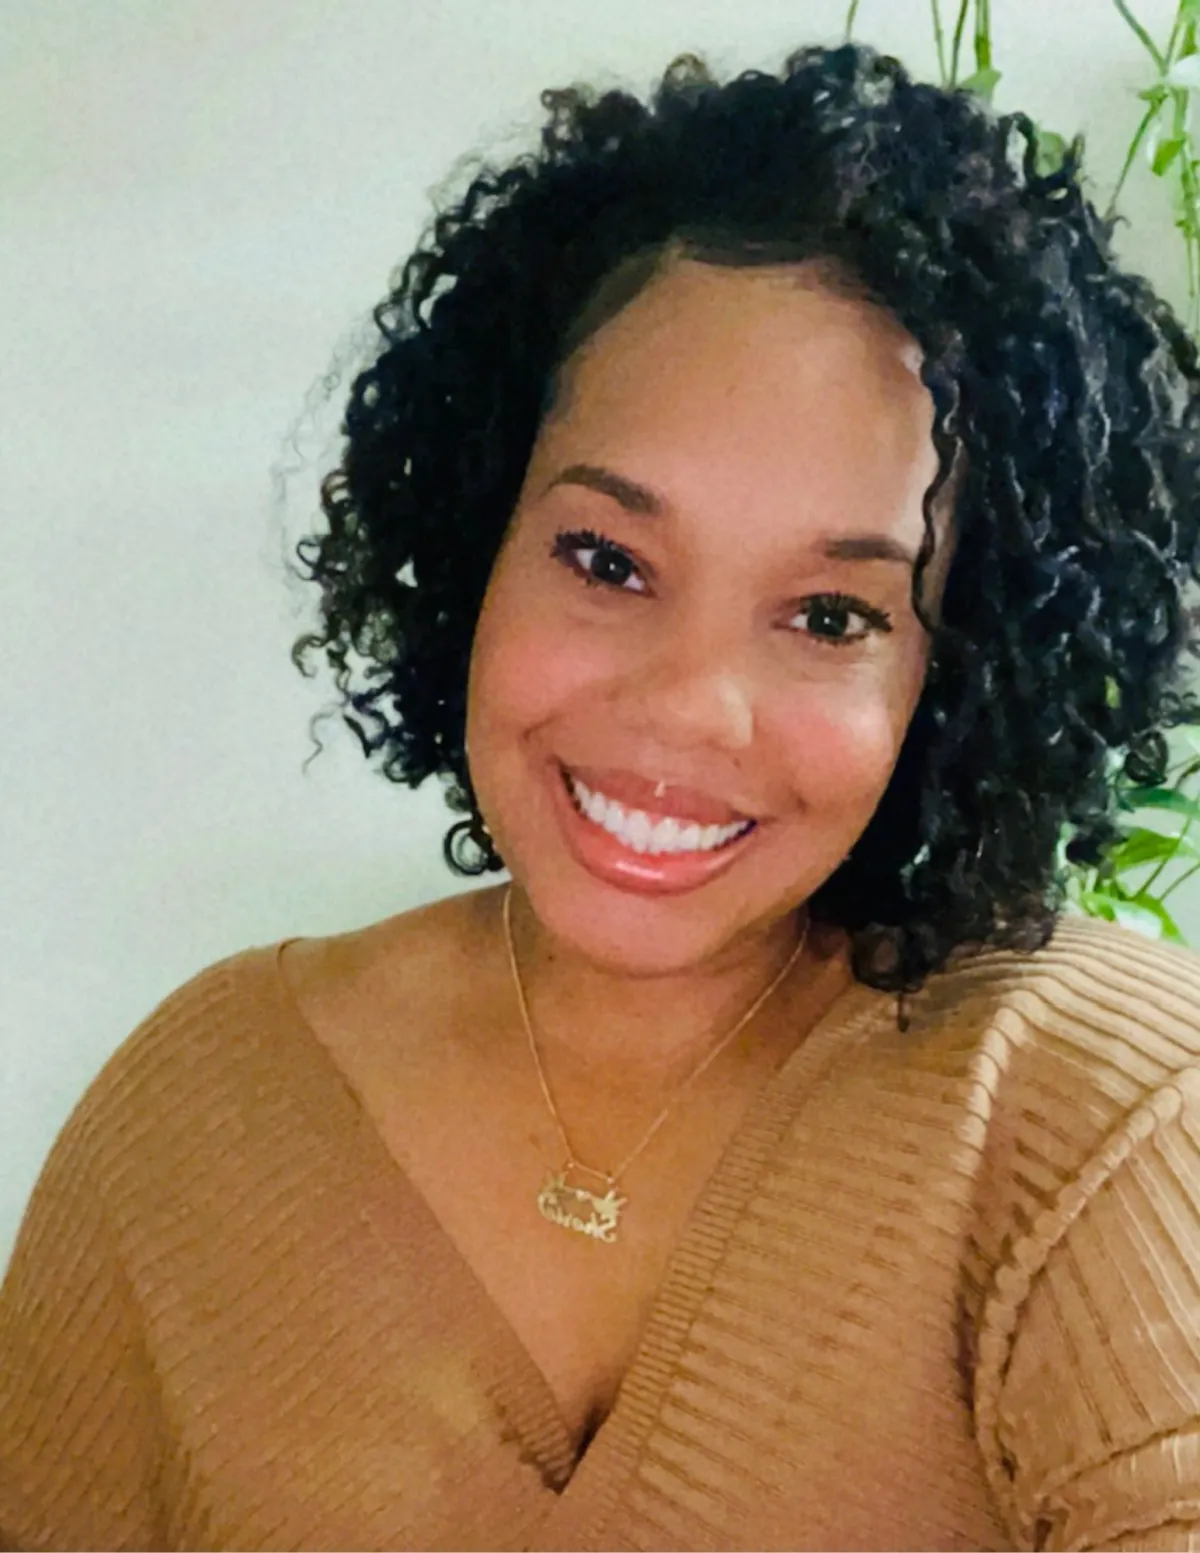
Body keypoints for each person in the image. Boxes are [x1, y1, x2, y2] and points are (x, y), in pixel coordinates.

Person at [3, 36, 1200, 1553]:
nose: (689, 706)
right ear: (478, 531)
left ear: (957, 668)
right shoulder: (192, 1123)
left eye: (832, 615)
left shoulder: (1104, 1116)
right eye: (608, 560)